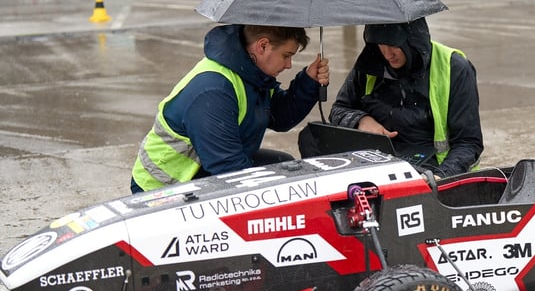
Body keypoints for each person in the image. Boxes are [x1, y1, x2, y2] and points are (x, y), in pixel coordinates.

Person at [130, 24, 329, 194]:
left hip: (205, 168)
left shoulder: (253, 75)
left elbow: (281, 117)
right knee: (275, 187)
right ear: (263, 46)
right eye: (286, 56)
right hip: (162, 190)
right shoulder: (213, 91)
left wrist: (309, 82)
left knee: (284, 167)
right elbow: (229, 170)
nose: (288, 65)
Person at [325, 18, 483, 179]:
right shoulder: (371, 62)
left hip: (432, 169)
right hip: (377, 162)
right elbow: (339, 109)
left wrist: (441, 177)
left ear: (412, 39)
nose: (387, 54)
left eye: (393, 44)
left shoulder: (454, 68)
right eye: (380, 44)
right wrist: (361, 120)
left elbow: (468, 143)